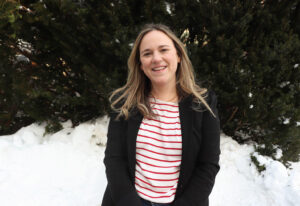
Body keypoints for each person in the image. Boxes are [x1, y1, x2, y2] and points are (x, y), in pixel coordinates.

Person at [102, 23, 220, 206]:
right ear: (140, 64)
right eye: (147, 53)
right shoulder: (124, 103)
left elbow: (208, 165)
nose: (156, 58)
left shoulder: (203, 104)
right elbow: (114, 159)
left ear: (178, 55)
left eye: (163, 50)